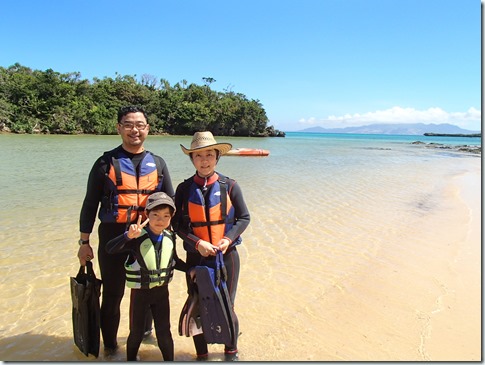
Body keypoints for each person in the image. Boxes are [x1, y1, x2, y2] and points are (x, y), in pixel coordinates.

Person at [77, 105, 174, 355]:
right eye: (128, 125)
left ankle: (144, 337)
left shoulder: (159, 164)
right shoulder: (104, 163)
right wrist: (83, 242)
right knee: (113, 292)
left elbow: (171, 204)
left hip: (148, 236)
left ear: (148, 129)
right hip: (114, 236)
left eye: (140, 125)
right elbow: (90, 204)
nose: (135, 130)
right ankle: (110, 348)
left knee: (151, 287)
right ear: (119, 127)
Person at [173, 131, 250, 361]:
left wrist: (227, 239)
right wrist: (197, 243)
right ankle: (202, 355)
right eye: (198, 155)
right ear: (192, 159)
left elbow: (244, 218)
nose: (204, 160)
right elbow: (177, 225)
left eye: (209, 154)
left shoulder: (231, 186)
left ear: (217, 157)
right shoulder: (184, 189)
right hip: (197, 258)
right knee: (197, 303)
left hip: (227, 257)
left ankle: (230, 352)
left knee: (228, 303)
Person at [106, 192, 187, 361]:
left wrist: (192, 270)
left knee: (164, 332)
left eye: (166, 216)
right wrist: (127, 236)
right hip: (140, 295)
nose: (160, 220)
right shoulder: (136, 238)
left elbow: (175, 261)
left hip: (162, 294)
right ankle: (131, 360)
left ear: (171, 218)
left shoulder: (170, 237)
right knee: (136, 333)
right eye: (155, 215)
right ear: (146, 215)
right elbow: (110, 249)